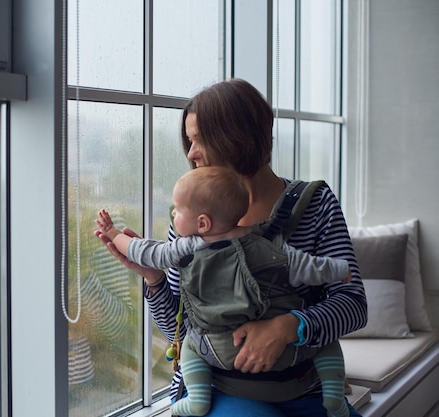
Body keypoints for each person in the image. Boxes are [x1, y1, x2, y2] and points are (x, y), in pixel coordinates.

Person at [95, 78, 367, 417]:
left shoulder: (315, 205)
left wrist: (288, 328)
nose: (190, 153)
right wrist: (153, 279)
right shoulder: (192, 219)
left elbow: (354, 304)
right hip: (217, 391)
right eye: (189, 141)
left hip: (303, 386)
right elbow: (181, 331)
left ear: (236, 138)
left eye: (199, 140)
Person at [95, 166, 351, 417]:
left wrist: (113, 232)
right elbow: (307, 266)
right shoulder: (266, 245)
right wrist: (339, 270)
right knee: (326, 344)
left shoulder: (186, 249)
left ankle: (197, 400)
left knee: (192, 347)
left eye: (177, 211)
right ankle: (333, 398)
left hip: (218, 351)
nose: (173, 216)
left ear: (203, 223)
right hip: (291, 356)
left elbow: (142, 250)